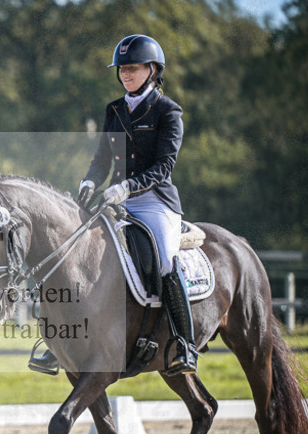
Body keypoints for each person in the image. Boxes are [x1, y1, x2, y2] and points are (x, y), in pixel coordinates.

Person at [29, 34, 198, 377]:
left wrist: (127, 187)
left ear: (152, 70)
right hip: (115, 199)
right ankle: (58, 344)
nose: (125, 74)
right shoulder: (115, 110)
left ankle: (184, 343)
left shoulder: (168, 111)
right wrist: (91, 180)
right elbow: (102, 158)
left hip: (155, 202)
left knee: (166, 260)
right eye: (122, 69)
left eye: (133, 68)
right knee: (73, 247)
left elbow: (164, 166)